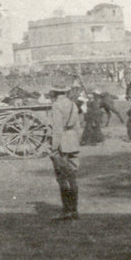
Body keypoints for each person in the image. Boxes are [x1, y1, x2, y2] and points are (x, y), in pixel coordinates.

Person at [48, 85, 80, 221]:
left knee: (62, 177)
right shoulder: (73, 104)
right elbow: (78, 125)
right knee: (72, 176)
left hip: (62, 142)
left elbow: (57, 129)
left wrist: (54, 147)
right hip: (72, 140)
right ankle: (74, 209)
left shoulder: (56, 106)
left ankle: (67, 210)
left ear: (55, 92)